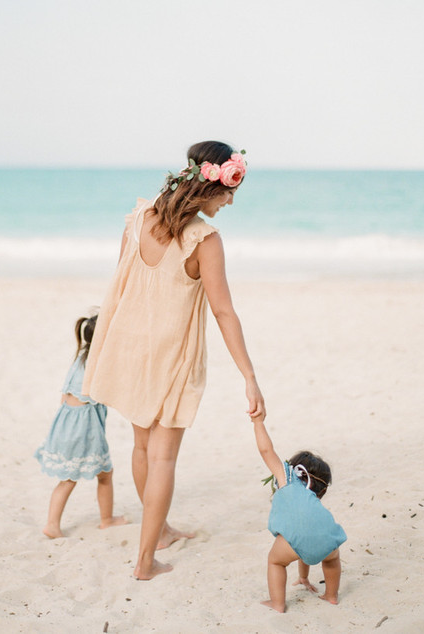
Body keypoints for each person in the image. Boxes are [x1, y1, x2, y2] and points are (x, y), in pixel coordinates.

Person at [82, 140, 266, 580]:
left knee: (142, 447)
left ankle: (158, 529)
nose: (231, 200)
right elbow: (224, 311)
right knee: (163, 458)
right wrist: (249, 376)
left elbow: (124, 278)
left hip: (128, 343)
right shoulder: (205, 239)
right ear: (210, 186)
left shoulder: (139, 217)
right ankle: (146, 562)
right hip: (169, 352)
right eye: (229, 190)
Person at [34, 310, 127, 538]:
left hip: (65, 424)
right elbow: (105, 394)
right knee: (98, 474)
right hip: (83, 431)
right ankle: (102, 520)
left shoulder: (80, 358)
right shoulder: (96, 365)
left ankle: (58, 523)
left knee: (72, 478)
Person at [252, 415, 347, 612]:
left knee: (275, 561)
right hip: (328, 537)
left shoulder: (287, 478)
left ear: (294, 469)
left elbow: (266, 450)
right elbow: (307, 540)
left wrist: (258, 422)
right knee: (331, 560)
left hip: (297, 539)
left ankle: (277, 603)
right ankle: (331, 595)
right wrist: (303, 577)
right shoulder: (312, 496)